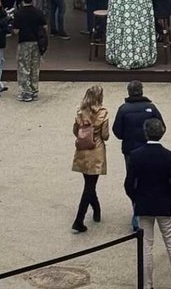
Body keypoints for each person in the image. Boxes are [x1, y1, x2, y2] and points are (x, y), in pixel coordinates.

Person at [124, 117, 171, 289]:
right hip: (164, 204)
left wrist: (136, 198)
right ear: (162, 133)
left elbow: (128, 184)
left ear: (145, 133)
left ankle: (147, 284)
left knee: (146, 246)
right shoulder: (168, 156)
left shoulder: (136, 155)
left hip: (144, 204)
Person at [113, 80, 165, 231]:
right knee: (151, 178)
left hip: (131, 151)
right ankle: (151, 208)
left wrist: (128, 137)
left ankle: (137, 213)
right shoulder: (151, 107)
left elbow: (117, 131)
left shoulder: (123, 109)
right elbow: (162, 126)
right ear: (142, 91)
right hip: (150, 149)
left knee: (133, 180)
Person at [72, 84, 110, 232]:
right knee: (90, 185)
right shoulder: (103, 113)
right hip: (96, 150)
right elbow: (105, 135)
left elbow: (75, 131)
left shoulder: (80, 112)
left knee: (88, 182)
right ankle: (79, 219)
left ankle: (97, 210)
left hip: (82, 149)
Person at [11, 0, 46, 102]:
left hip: (24, 41)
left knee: (23, 66)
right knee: (34, 67)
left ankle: (25, 92)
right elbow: (44, 27)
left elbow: (15, 30)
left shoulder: (19, 13)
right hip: (36, 42)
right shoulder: (38, 12)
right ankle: (34, 89)